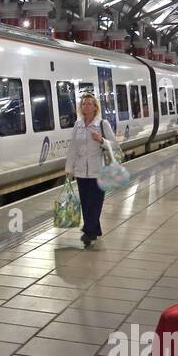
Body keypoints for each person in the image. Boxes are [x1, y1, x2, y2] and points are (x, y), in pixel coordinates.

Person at [66, 93, 117, 247]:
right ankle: (95, 229)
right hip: (81, 171)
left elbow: (114, 145)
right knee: (86, 203)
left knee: (95, 203)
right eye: (83, 104)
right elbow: (73, 148)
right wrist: (69, 168)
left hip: (98, 171)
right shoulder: (78, 125)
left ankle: (88, 231)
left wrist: (101, 140)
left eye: (89, 104)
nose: (86, 106)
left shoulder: (103, 124)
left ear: (95, 107)